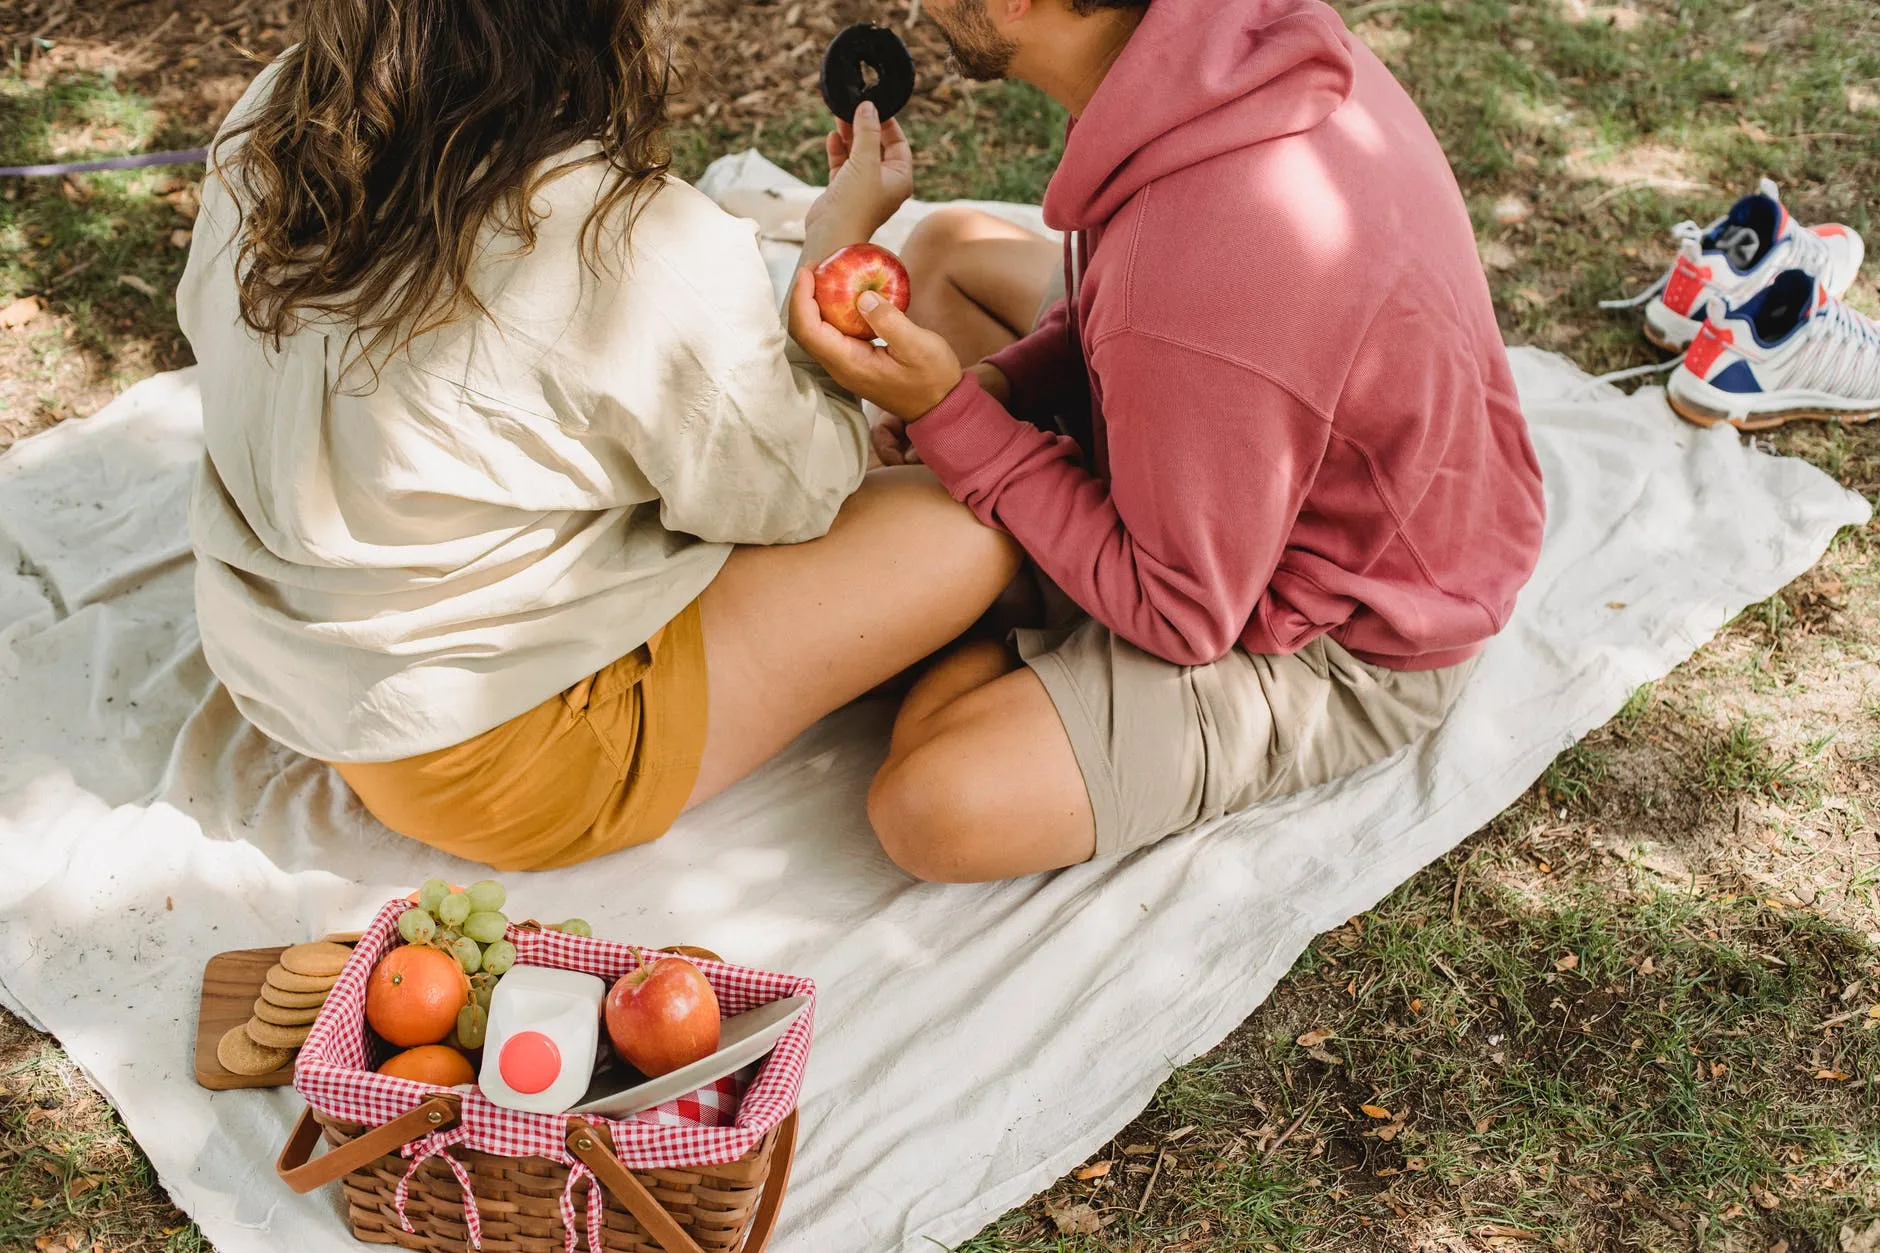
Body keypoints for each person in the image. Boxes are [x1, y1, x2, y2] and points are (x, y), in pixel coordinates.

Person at [178, 0, 1017, 871]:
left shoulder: (275, 110)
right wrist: (833, 242)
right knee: (974, 521)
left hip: (301, 672)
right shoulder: (625, 241)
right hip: (500, 757)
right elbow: (797, 491)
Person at [791, 0, 1548, 882]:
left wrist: (953, 417)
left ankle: (1039, 620)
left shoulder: (1192, 269)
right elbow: (1123, 307)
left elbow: (1182, 612)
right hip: (1252, 451)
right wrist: (995, 386)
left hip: (1346, 631)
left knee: (930, 800)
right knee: (951, 250)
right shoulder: (1204, 46)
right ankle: (1045, 586)